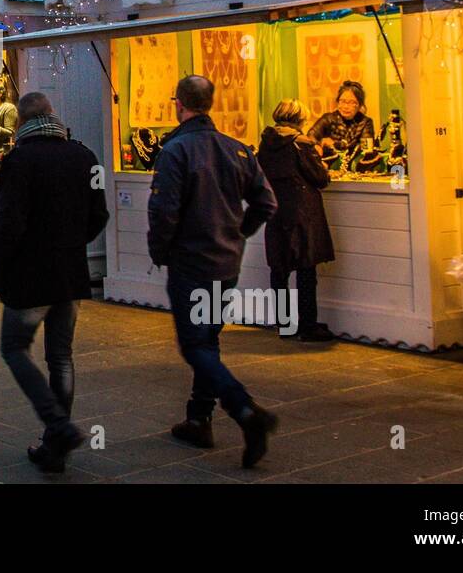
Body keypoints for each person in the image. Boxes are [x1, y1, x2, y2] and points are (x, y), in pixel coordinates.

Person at [148, 75, 280, 468]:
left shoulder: (176, 151)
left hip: (191, 262)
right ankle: (198, 417)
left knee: (195, 345)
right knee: (208, 339)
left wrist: (161, 250)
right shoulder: (236, 150)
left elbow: (164, 210)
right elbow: (266, 203)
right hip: (226, 263)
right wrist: (239, 233)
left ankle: (245, 410)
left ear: (179, 104)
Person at [0, 92, 109, 473]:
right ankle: (55, 447)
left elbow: (9, 221)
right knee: (61, 357)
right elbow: (99, 214)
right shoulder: (84, 156)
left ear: (22, 122)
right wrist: (74, 242)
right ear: (53, 115)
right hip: (70, 271)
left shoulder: (19, 160)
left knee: (14, 347)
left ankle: (57, 426)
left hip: (30, 273)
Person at [257, 99, 335, 342]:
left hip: (277, 212)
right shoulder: (301, 145)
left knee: (279, 269)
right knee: (305, 269)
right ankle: (308, 325)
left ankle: (285, 324)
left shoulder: (266, 145)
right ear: (299, 120)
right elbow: (320, 178)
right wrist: (322, 163)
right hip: (303, 212)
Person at [308, 80, 376, 169]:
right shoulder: (328, 118)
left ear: (359, 105)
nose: (346, 106)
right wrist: (317, 144)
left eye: (352, 102)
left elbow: (367, 149)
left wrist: (336, 144)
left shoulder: (365, 122)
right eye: (343, 101)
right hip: (329, 167)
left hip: (355, 167)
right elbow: (310, 136)